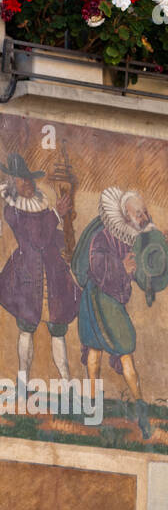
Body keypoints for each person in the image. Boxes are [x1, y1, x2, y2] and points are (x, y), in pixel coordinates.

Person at [73, 188, 168, 439]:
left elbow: (151, 267)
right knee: (95, 355)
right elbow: (97, 268)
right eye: (137, 213)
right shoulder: (102, 237)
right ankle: (94, 410)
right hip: (95, 299)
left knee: (126, 349)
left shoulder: (139, 238)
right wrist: (121, 267)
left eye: (144, 212)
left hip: (115, 302)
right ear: (124, 216)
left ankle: (141, 414)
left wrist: (166, 247)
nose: (143, 217)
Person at [0, 153, 80, 385]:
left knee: (57, 328)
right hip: (28, 278)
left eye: (28, 179)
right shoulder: (12, 211)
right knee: (27, 327)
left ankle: (66, 384)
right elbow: (37, 239)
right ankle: (23, 382)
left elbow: (51, 236)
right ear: (12, 183)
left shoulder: (40, 205)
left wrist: (66, 234)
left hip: (52, 276)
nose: (27, 184)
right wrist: (56, 214)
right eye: (22, 180)